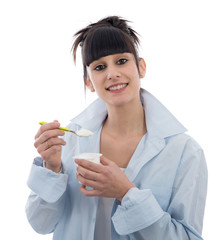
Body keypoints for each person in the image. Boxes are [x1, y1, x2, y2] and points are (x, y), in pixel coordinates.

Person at [25, 16, 208, 240]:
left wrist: (126, 193)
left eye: (121, 61)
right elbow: (41, 224)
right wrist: (52, 168)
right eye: (100, 67)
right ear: (89, 82)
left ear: (141, 67)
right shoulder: (70, 140)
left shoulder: (185, 152)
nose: (112, 73)